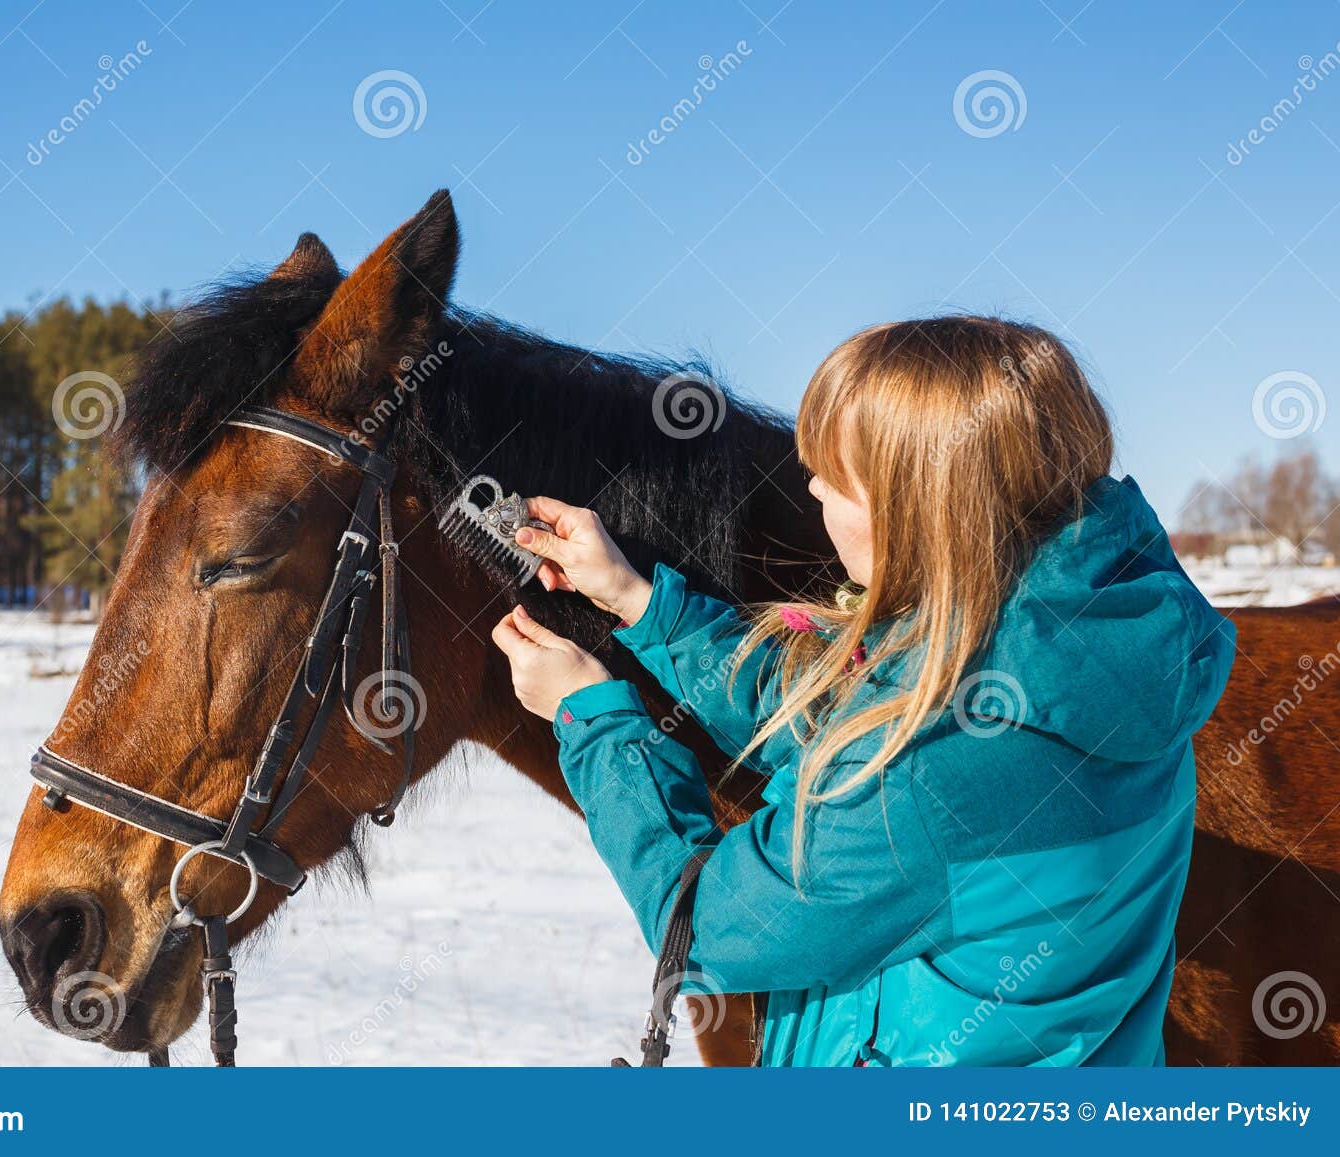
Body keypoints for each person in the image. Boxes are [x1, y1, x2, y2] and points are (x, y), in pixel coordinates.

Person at [491, 316, 1236, 1066]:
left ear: (922, 507)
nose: (809, 485)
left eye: (835, 477)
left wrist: (593, 720)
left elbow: (712, 931)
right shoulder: (1095, 653)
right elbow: (839, 711)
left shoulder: (933, 763)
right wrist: (642, 602)